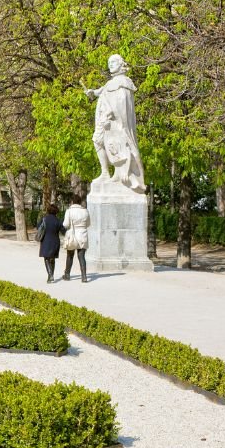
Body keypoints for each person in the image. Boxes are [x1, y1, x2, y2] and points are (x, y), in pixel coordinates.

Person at [85, 54, 146, 194]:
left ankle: (120, 173)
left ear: (120, 64)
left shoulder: (124, 82)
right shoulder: (111, 82)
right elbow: (101, 91)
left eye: (113, 62)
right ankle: (105, 172)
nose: (110, 64)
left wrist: (113, 118)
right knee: (97, 141)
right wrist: (92, 92)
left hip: (113, 122)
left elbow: (122, 104)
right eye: (109, 62)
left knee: (117, 146)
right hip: (103, 121)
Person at [62, 195, 91, 282]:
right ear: (80, 202)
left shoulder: (69, 211)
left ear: (72, 202)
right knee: (81, 256)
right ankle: (84, 276)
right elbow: (88, 224)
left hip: (72, 235)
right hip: (83, 235)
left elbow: (65, 224)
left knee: (70, 255)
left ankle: (67, 274)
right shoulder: (85, 211)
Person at [36, 203, 66, 283]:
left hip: (45, 241)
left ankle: (50, 275)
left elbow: (38, 227)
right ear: (56, 211)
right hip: (55, 241)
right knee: (52, 259)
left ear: (48, 211)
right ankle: (51, 274)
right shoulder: (58, 220)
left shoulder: (44, 219)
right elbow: (63, 231)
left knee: (46, 258)